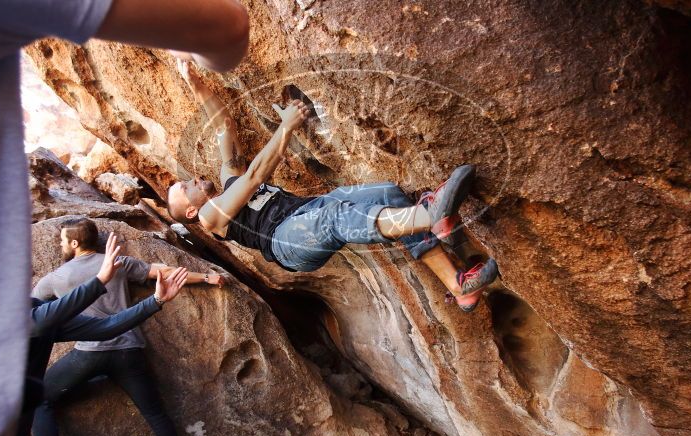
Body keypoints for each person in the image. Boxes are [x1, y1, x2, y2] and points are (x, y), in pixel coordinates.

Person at [0, 1, 248, 436]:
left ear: (69, 245)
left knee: (46, 400)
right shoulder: (124, 263)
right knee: (155, 412)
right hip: (124, 352)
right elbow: (226, 28)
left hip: (84, 358)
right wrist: (202, 280)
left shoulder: (49, 281)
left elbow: (51, 321)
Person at [167, 61, 499, 312]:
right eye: (185, 186)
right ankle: (432, 215)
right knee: (334, 217)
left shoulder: (229, 176)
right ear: (192, 210)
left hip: (306, 210)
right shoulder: (212, 216)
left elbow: (223, 124)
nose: (191, 178)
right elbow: (256, 176)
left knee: (388, 194)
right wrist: (286, 128)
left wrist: (194, 84)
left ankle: (459, 286)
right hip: (287, 242)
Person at [29, 218, 223, 436]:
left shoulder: (55, 278)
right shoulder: (119, 264)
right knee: (155, 412)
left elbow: (35, 312)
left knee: (40, 398)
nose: (60, 244)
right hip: (128, 351)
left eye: (62, 240)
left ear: (74, 243)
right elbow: (164, 272)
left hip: (88, 354)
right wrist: (206, 277)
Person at [15, 231, 190, 436]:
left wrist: (156, 300)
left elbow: (106, 327)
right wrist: (98, 281)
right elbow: (39, 321)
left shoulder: (37, 309)